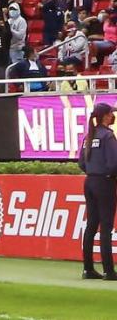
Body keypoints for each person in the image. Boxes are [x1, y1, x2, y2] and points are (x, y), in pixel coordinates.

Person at [78, 103, 117, 280]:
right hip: (104, 182)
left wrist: (93, 171)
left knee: (92, 225)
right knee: (106, 227)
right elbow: (114, 162)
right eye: (111, 113)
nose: (113, 116)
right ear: (105, 116)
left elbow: (81, 163)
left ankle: (88, 269)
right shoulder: (108, 136)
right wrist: (109, 174)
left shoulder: (89, 136)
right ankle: (109, 270)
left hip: (90, 182)